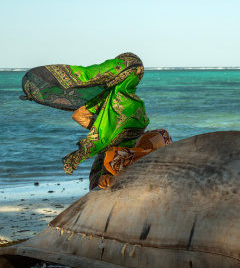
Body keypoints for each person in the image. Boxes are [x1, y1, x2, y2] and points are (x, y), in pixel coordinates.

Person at [20, 53, 170, 190]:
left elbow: (79, 115)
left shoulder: (104, 98)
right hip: (117, 162)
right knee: (162, 136)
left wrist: (101, 130)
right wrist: (104, 131)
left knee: (160, 136)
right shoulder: (133, 102)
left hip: (110, 159)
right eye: (137, 73)